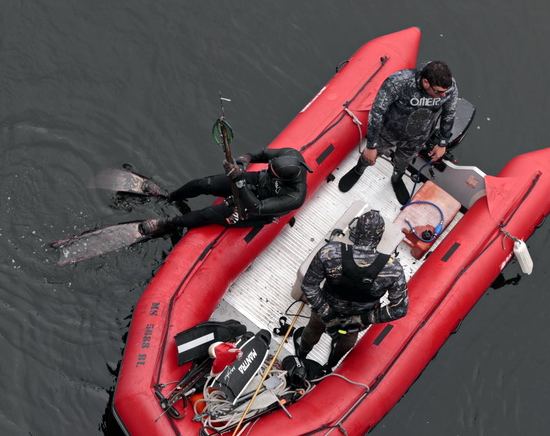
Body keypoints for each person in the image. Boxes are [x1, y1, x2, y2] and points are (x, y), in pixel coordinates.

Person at [292, 210, 408, 379]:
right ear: (379, 236)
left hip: (323, 313)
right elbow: (399, 309)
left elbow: (309, 285)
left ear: (355, 232)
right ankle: (330, 365)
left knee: (311, 332)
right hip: (354, 323)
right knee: (345, 343)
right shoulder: (392, 269)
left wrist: (329, 315)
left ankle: (301, 356)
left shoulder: (331, 252)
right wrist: (362, 319)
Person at [338, 60, 458, 205]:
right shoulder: (398, 82)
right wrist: (371, 146)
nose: (442, 96)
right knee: (368, 157)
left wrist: (443, 142)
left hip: (417, 138)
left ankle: (397, 178)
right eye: (438, 92)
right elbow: (376, 113)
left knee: (403, 162)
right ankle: (358, 170)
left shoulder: (448, 87)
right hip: (387, 134)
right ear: (426, 82)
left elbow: (449, 113)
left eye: (445, 92)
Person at [137, 147, 311, 237]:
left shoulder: (295, 196)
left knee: (207, 214)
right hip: (256, 182)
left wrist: (239, 181)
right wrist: (244, 159)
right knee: (204, 184)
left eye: (273, 173)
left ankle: (167, 223)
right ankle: (169, 196)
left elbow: (256, 207)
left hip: (256, 209)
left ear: (282, 179)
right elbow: (263, 153)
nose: (268, 168)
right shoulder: (291, 154)